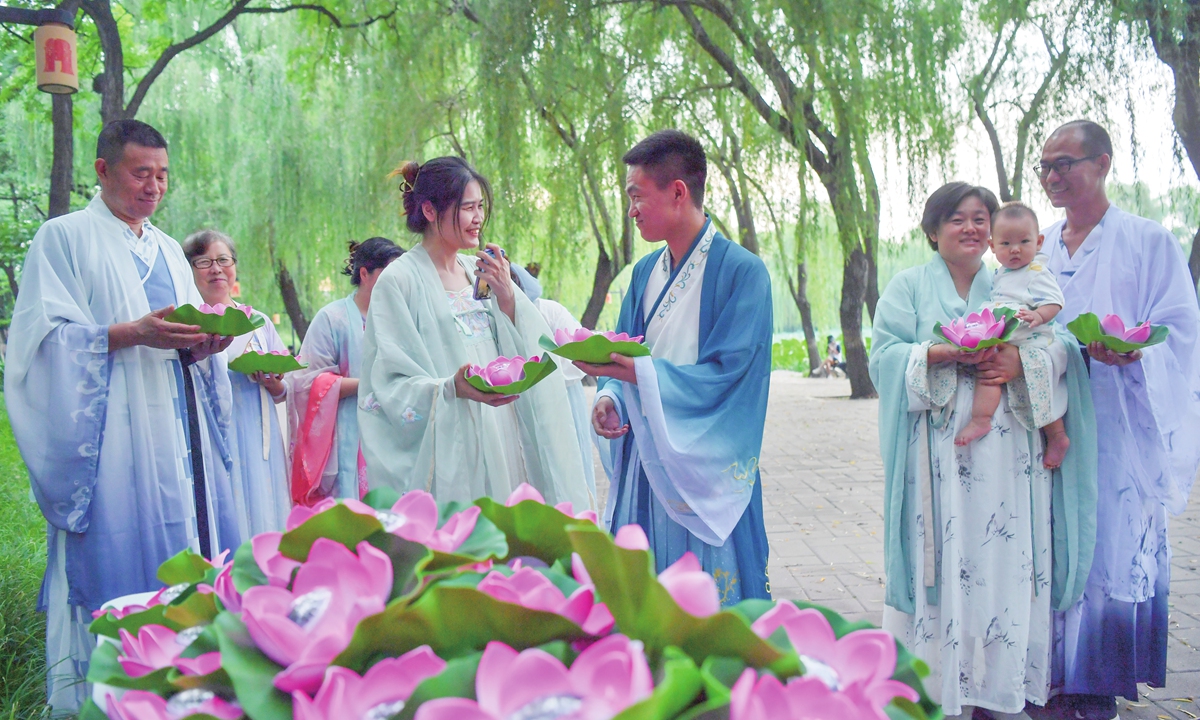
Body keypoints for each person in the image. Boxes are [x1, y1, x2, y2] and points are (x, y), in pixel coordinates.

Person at [4, 120, 245, 714]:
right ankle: (108, 693)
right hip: (106, 434)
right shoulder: (63, 238)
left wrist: (201, 346)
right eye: (141, 173)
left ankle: (183, 684)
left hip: (175, 427)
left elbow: (178, 330)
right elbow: (40, 343)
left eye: (162, 175)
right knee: (118, 543)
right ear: (103, 170)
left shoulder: (166, 247)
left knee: (181, 542)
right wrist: (127, 334)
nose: (154, 187)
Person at [870, 181, 1098, 720]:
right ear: (932, 230)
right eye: (957, 219)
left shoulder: (1016, 279)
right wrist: (944, 352)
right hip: (939, 460)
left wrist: (1022, 363)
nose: (971, 228)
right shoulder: (907, 287)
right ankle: (937, 689)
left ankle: (997, 686)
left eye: (980, 219)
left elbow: (1061, 343)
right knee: (947, 563)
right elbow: (884, 357)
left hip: (1011, 458)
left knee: (1002, 559)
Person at [1037, 120, 1200, 719]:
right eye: (1046, 167)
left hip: (1121, 421)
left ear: (1102, 164)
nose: (1053, 177)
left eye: (1065, 164)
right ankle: (1046, 673)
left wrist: (1135, 353)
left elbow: (1183, 331)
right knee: (1052, 542)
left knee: (1110, 543)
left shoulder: (1147, 241)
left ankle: (1096, 680)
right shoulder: (1040, 245)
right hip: (1050, 425)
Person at [579, 130, 773, 605]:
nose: (631, 211)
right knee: (645, 601)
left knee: (709, 602)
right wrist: (610, 397)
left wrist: (636, 375)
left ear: (678, 193)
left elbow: (732, 375)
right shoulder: (644, 274)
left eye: (637, 196)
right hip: (647, 455)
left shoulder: (743, 273)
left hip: (706, 462)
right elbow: (621, 351)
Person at [357, 157, 591, 508]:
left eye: (480, 206)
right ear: (430, 211)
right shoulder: (398, 281)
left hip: (502, 428)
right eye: (468, 208)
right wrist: (450, 388)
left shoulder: (476, 270)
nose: (478, 218)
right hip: (454, 438)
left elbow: (520, 348)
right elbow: (387, 383)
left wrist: (508, 296)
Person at [185, 230, 291, 533]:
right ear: (189, 270)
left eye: (223, 260)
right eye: (203, 262)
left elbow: (283, 391)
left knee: (263, 506)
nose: (216, 269)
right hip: (211, 433)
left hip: (257, 431)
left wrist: (274, 384)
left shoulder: (258, 322)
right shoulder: (186, 323)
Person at [954, 202, 1071, 470]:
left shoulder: (1037, 272)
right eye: (1006, 243)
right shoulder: (1000, 274)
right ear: (993, 246)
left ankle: (1057, 435)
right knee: (990, 373)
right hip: (1006, 336)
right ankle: (981, 418)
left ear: (1039, 242)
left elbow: (1056, 302)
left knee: (1039, 384)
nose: (1015, 249)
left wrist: (1039, 315)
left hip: (1031, 337)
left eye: (1024, 241)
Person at [289, 238, 403, 505]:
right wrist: (370, 384)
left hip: (394, 429)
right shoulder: (332, 318)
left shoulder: (402, 319)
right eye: (390, 274)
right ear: (364, 273)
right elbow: (307, 382)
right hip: (347, 433)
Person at [511, 263, 597, 498]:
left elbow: (577, 358)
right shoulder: (497, 319)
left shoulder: (549, 311)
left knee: (569, 464)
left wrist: (542, 377)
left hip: (564, 399)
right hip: (521, 402)